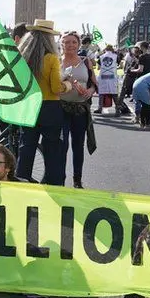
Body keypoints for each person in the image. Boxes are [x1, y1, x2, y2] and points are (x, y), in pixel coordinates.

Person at [14, 20, 70, 185]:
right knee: (53, 148)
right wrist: (66, 85)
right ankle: (54, 185)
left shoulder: (22, 57)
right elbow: (55, 88)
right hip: (49, 108)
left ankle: (21, 181)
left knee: (26, 147)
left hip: (29, 106)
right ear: (48, 38)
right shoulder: (51, 58)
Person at [59, 31, 97, 189]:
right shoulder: (56, 62)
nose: (70, 45)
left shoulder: (86, 62)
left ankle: (77, 179)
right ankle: (60, 178)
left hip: (81, 109)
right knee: (62, 145)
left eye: (73, 42)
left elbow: (94, 83)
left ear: (78, 44)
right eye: (66, 42)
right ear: (61, 45)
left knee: (78, 145)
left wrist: (90, 91)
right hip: (61, 107)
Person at [94, 45, 120, 114]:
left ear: (105, 49)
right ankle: (117, 109)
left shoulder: (101, 57)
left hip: (103, 77)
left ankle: (99, 108)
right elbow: (120, 65)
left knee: (101, 93)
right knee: (114, 93)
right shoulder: (116, 56)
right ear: (112, 49)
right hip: (112, 77)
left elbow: (98, 68)